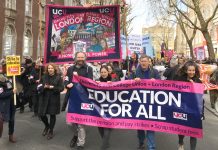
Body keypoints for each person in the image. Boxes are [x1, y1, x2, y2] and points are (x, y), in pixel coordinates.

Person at [62, 52, 93, 150]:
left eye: (82, 57)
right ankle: (76, 135)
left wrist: (78, 77)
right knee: (69, 122)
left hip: (83, 99)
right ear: (75, 58)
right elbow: (66, 80)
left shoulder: (89, 69)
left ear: (85, 58)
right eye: (78, 57)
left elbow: (90, 83)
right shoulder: (70, 69)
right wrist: (67, 84)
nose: (80, 58)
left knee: (81, 123)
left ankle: (80, 143)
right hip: (71, 98)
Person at [134, 54, 160, 150]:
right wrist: (133, 80)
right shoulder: (135, 72)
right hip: (139, 103)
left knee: (150, 125)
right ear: (139, 62)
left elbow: (162, 86)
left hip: (151, 104)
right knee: (139, 126)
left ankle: (151, 147)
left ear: (149, 62)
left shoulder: (155, 72)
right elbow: (127, 83)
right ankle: (141, 143)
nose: (144, 63)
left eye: (146, 61)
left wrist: (156, 82)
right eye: (142, 61)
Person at [175, 60, 202, 150]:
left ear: (195, 71)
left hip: (194, 110)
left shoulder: (198, 81)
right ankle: (181, 142)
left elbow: (200, 97)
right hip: (183, 108)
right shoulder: (180, 79)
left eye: (193, 70)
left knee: (193, 131)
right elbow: (175, 92)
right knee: (182, 129)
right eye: (189, 70)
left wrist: (194, 86)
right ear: (186, 71)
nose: (191, 72)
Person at [37, 63, 64, 140]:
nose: (50, 69)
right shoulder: (43, 77)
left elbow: (61, 88)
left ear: (54, 69)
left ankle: (51, 130)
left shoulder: (58, 78)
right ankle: (47, 126)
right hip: (44, 98)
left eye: (51, 68)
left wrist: (53, 87)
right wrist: (43, 86)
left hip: (53, 98)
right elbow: (38, 87)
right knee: (41, 114)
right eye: (49, 68)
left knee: (52, 115)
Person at [0, 59, 17, 143]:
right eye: (6, 65)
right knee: (1, 121)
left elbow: (14, 87)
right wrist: (11, 92)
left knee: (12, 119)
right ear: (3, 66)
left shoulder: (11, 76)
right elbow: (1, 94)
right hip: (3, 104)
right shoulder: (0, 77)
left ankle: (11, 135)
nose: (8, 67)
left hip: (12, 102)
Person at [97, 66, 113, 150]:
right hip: (99, 107)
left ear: (108, 72)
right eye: (102, 72)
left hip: (110, 107)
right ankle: (105, 142)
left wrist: (112, 84)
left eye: (105, 72)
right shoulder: (96, 81)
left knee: (107, 127)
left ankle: (103, 146)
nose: (103, 74)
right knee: (100, 127)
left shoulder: (114, 80)